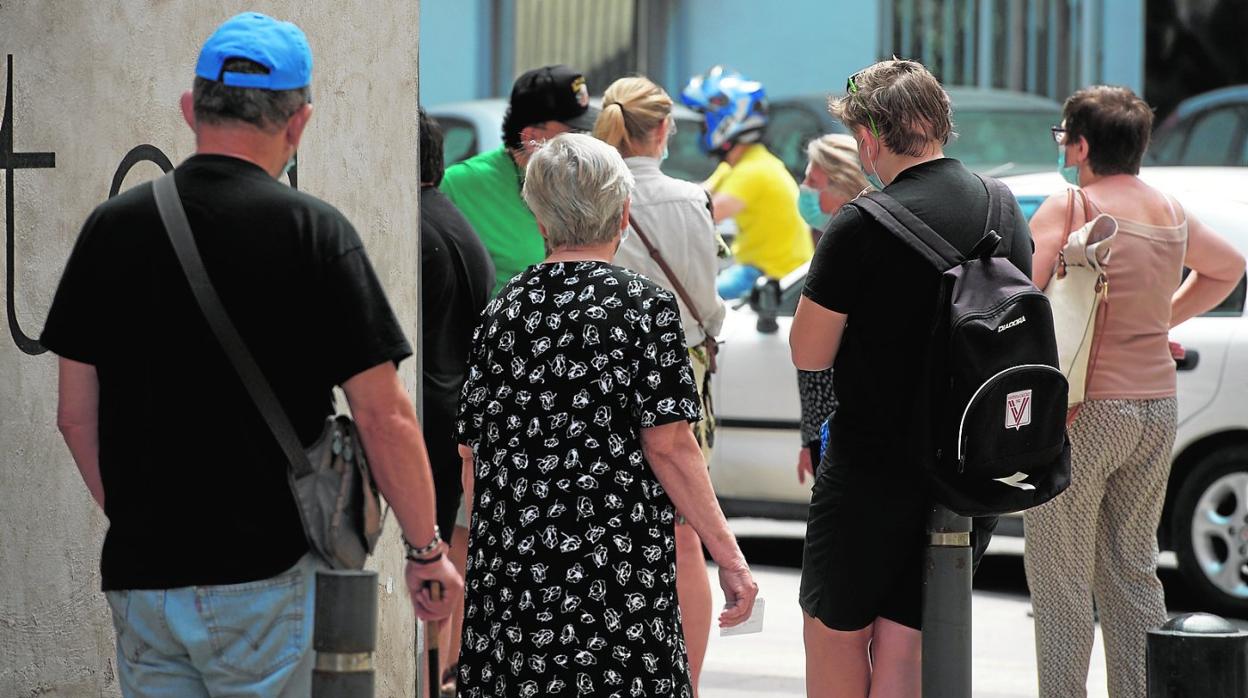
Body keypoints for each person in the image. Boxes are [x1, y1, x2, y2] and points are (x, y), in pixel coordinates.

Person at [40, 13, 461, 696]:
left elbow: (73, 415)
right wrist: (426, 551)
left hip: (142, 582)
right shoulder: (315, 232)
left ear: (190, 109)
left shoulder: (109, 228)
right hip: (268, 579)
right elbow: (383, 417)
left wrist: (141, 523)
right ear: (299, 123)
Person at [454, 133, 758, 698]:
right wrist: (730, 558)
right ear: (623, 214)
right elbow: (671, 446)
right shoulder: (645, 307)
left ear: (540, 218)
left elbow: (472, 454)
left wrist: (499, 559)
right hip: (616, 577)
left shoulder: (502, 311)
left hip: (515, 581)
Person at [788, 59, 1031, 698]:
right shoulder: (1003, 207)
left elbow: (809, 351)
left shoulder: (861, 222)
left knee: (835, 630)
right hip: (970, 468)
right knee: (908, 641)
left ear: (869, 138)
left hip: (874, 468)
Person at [1023, 85, 1246, 698]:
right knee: (1133, 571)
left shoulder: (1071, 207)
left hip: (1084, 410)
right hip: (1155, 407)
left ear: (1082, 145)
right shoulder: (1169, 210)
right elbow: (1228, 267)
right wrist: (1160, 319)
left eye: (1064, 136)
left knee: (1061, 576)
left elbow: (1023, 298)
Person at [592, 75, 726, 695]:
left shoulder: (597, 194)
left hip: (606, 379)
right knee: (684, 534)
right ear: (664, 129)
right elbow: (708, 304)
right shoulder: (692, 198)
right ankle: (686, 682)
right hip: (681, 372)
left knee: (610, 531)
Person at [419, 106, 495, 696]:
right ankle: (440, 677)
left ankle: (432, 681)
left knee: (428, 570)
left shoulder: (415, 229)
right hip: (456, 420)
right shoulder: (453, 219)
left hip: (428, 425)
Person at [440, 64, 599, 297]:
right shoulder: (458, 185)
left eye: (586, 133)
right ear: (531, 137)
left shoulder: (586, 183)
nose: (584, 143)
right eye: (574, 133)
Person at [681, 65, 814, 299]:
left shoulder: (754, 171)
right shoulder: (741, 163)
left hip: (773, 278)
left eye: (705, 122)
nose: (703, 128)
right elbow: (692, 197)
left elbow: (700, 215)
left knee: (693, 299)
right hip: (755, 269)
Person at [793, 134, 871, 485]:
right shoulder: (829, 244)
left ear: (843, 188)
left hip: (847, 428)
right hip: (826, 427)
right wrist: (807, 439)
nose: (804, 189)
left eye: (813, 182)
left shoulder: (854, 249)